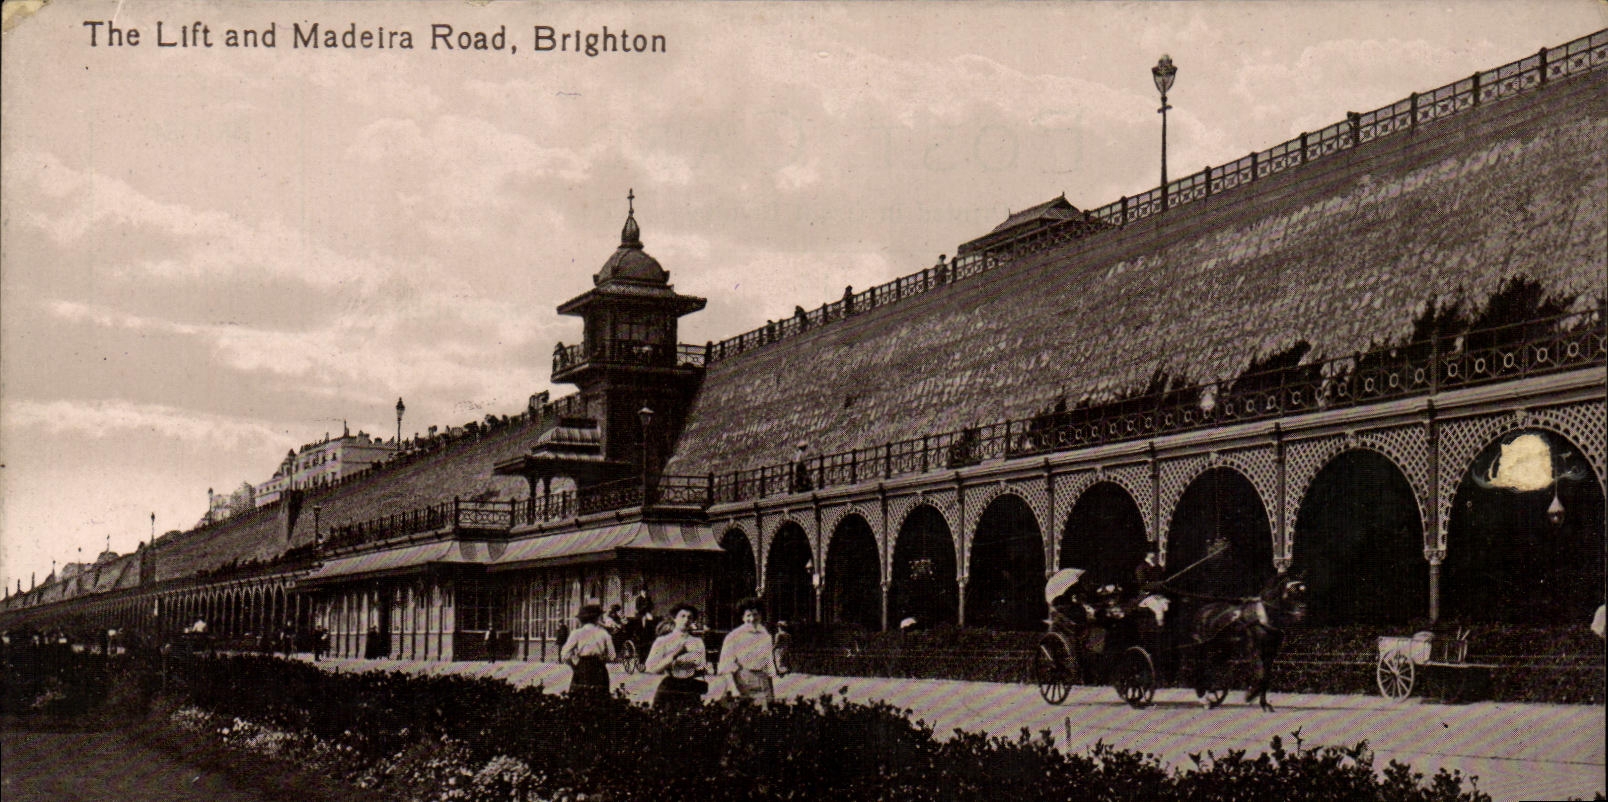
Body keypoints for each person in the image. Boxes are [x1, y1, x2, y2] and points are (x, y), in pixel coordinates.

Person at [645, 603, 708, 710]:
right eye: (682, 616)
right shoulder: (663, 641)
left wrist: (690, 664)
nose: (686, 620)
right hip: (670, 686)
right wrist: (673, 657)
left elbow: (701, 665)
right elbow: (651, 668)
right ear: (674, 618)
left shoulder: (697, 642)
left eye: (690, 617)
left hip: (690, 687)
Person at [718, 597, 777, 708]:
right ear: (742, 617)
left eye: (756, 614)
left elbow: (769, 664)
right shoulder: (734, 636)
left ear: (761, 615)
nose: (752, 618)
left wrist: (771, 693)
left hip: (762, 682)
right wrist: (734, 690)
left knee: (764, 717)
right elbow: (725, 666)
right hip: (741, 681)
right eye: (748, 615)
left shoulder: (766, 636)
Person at [559, 604, 615, 698]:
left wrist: (574, 665)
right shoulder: (604, 633)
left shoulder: (576, 633)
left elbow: (564, 654)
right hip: (599, 669)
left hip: (582, 667)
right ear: (597, 619)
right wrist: (603, 660)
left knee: (580, 697)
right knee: (600, 698)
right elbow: (612, 656)